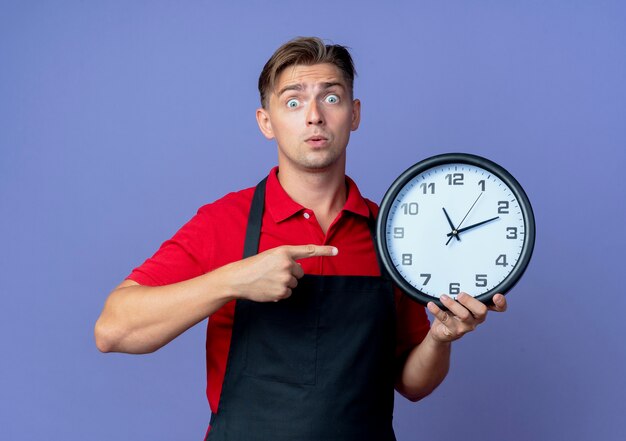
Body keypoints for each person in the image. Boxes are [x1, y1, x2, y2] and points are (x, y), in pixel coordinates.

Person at [94, 36, 507, 441]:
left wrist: (440, 339)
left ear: (354, 113)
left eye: (331, 98)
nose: (314, 116)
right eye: (293, 101)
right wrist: (234, 281)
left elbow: (414, 385)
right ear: (266, 123)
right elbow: (112, 329)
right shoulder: (225, 221)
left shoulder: (392, 235)